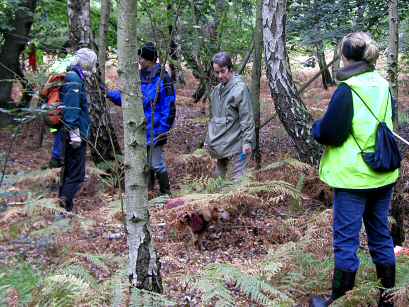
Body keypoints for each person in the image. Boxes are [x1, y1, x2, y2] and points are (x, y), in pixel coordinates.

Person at [309, 32, 399, 307]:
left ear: (345, 57)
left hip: (353, 180)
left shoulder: (349, 90)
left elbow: (330, 134)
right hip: (383, 173)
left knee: (346, 242)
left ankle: (337, 302)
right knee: (381, 236)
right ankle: (388, 301)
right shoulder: (383, 85)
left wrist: (315, 128)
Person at [107, 42, 176, 195]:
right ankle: (149, 193)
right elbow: (128, 97)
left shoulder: (163, 78)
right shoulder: (138, 76)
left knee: (156, 162)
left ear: (150, 59)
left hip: (156, 128)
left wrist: (163, 129)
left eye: (143, 57)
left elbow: (169, 105)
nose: (140, 60)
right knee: (144, 162)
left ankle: (166, 194)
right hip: (139, 127)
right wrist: (108, 93)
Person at [204, 52, 255, 182]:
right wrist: (208, 140)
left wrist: (247, 142)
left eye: (223, 71)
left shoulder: (240, 90)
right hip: (221, 144)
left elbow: (247, 118)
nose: (220, 76)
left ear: (230, 69)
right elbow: (214, 119)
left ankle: (239, 201)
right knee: (218, 180)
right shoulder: (216, 91)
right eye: (217, 72)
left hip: (238, 145)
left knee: (237, 181)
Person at [59, 48, 96, 212]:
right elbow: (72, 108)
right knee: (76, 174)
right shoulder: (74, 79)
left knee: (70, 170)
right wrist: (75, 134)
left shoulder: (74, 77)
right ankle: (64, 207)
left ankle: (64, 205)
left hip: (74, 132)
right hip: (75, 134)